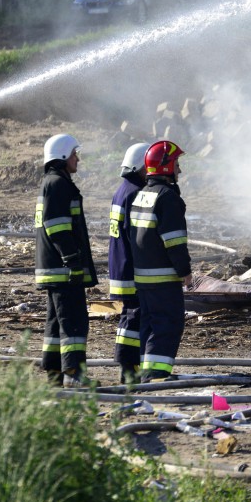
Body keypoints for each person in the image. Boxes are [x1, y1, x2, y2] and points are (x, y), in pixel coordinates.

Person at [36, 134, 98, 387]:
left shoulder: (54, 182)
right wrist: (72, 259)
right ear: (62, 156)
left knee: (56, 322)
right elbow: (58, 227)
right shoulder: (58, 184)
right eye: (74, 154)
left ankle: (54, 374)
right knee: (73, 321)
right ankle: (74, 375)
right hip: (63, 269)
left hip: (55, 268)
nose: (78, 159)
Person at [129, 140, 192, 383]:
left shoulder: (140, 195)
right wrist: (185, 271)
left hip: (143, 276)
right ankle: (156, 374)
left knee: (150, 323)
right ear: (166, 166)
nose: (179, 170)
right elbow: (174, 241)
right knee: (167, 323)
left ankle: (148, 371)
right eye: (176, 164)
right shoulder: (167, 198)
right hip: (164, 276)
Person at [108, 142, 151, 385]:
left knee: (130, 314)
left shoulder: (122, 189)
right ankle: (129, 367)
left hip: (120, 265)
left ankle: (128, 365)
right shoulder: (136, 193)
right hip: (131, 268)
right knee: (135, 315)